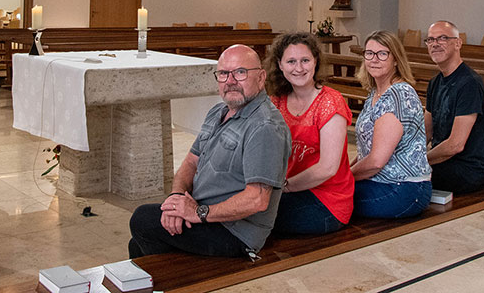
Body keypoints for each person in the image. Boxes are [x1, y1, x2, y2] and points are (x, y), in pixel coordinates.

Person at [128, 45, 291, 258]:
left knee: (143, 219)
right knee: (138, 242)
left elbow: (257, 200)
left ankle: (181, 280)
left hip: (235, 232)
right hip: (205, 214)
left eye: (240, 72)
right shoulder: (218, 112)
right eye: (223, 74)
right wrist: (176, 200)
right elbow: (190, 163)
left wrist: (197, 213)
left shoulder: (264, 127)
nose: (230, 80)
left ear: (261, 78)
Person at [264, 32, 354, 235]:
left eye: (305, 60)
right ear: (280, 65)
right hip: (290, 190)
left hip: (327, 199)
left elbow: (327, 168)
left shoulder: (330, 102)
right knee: (240, 207)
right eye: (291, 61)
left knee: (254, 219)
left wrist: (283, 187)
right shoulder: (276, 101)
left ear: (316, 61)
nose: (298, 68)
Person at [351, 31, 431, 218]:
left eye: (382, 54)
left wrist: (342, 178)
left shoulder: (398, 94)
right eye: (369, 53)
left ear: (396, 60)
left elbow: (376, 162)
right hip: (380, 181)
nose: (374, 59)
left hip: (402, 188)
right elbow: (367, 151)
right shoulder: (376, 92)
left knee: (328, 201)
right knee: (324, 195)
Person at [423, 21, 484, 194]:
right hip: (442, 162)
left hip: (464, 169)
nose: (435, 44)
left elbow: (455, 145)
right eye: (430, 40)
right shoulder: (435, 82)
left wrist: (419, 160)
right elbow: (426, 132)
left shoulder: (469, 83)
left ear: (458, 43)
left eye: (442, 38)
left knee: (397, 178)